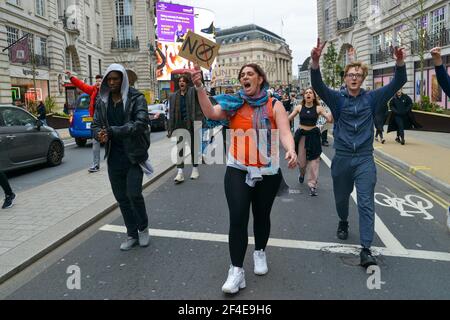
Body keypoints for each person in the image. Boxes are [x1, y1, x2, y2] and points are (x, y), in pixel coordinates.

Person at [189, 63, 297, 294]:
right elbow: (210, 113)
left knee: (261, 215)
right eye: (242, 75)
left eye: (250, 74)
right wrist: (199, 87)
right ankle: (236, 270)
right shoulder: (234, 103)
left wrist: (291, 149)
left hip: (267, 171)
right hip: (238, 168)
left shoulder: (274, 104)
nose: (244, 77)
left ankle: (259, 252)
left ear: (260, 79)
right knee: (238, 217)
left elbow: (285, 131)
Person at [310, 38, 407, 268]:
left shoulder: (372, 98)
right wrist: (315, 62)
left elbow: (398, 82)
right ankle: (343, 220)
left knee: (365, 202)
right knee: (341, 199)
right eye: (350, 74)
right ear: (345, 78)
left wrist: (400, 62)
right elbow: (318, 85)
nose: (354, 77)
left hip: (364, 158)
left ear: (362, 79)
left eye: (358, 75)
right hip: (342, 157)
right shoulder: (336, 99)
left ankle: (366, 248)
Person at [92, 64, 151, 251]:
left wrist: (112, 131)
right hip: (114, 157)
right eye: (109, 79)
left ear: (123, 79)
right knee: (122, 198)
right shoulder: (102, 101)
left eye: (115, 79)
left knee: (134, 194)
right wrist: (98, 134)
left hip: (133, 155)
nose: (112, 82)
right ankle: (131, 233)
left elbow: (140, 123)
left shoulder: (137, 98)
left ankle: (143, 228)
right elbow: (95, 125)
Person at [288, 88, 333, 196]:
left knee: (314, 162)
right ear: (304, 96)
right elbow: (288, 118)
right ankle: (302, 174)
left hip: (313, 136)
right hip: (301, 136)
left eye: (310, 93)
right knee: (302, 162)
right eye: (306, 93)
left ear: (314, 96)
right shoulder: (299, 107)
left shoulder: (318, 108)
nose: (308, 94)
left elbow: (329, 119)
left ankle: (312, 185)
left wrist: (334, 109)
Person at [168, 74, 204, 184]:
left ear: (187, 83)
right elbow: (171, 113)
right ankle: (180, 172)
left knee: (194, 147)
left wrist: (198, 80)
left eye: (183, 81)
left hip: (192, 123)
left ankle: (195, 169)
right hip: (179, 124)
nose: (181, 83)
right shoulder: (173, 96)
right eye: (180, 81)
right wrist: (170, 128)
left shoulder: (193, 92)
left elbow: (200, 89)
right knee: (180, 149)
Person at [66, 71, 103, 173]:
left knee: (113, 143)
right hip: (96, 121)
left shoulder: (108, 91)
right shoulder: (93, 90)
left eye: (100, 81)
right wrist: (71, 78)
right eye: (96, 81)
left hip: (107, 121)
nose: (98, 83)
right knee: (95, 143)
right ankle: (96, 165)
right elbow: (82, 85)